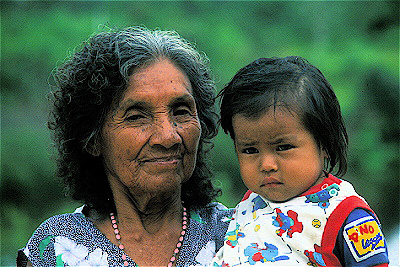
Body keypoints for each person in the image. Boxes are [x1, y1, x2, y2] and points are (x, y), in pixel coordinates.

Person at [17, 26, 233, 267]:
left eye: (181, 111)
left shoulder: (242, 234)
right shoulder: (59, 247)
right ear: (92, 139)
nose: (168, 136)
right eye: (136, 116)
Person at [211, 57, 389, 266]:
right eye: (250, 150)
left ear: (323, 143)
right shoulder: (250, 203)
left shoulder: (346, 216)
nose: (267, 164)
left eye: (283, 147)